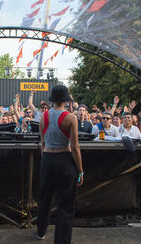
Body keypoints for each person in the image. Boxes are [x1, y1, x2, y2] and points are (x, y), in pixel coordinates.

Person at [37, 85, 83, 244]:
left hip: (47, 159)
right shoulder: (71, 118)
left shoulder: (44, 116)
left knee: (44, 198)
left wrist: (45, 161)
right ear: (66, 100)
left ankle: (40, 231)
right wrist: (80, 171)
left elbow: (42, 143)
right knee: (66, 203)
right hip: (64, 160)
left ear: (52, 99)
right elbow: (75, 147)